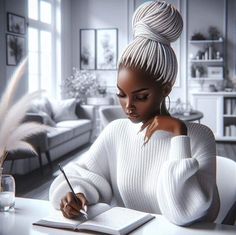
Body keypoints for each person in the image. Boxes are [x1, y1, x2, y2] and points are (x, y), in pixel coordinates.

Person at [49, 1, 220, 226]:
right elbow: (80, 174)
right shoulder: (116, 131)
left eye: (140, 97)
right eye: (121, 94)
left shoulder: (200, 137)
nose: (128, 106)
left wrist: (179, 133)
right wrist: (78, 195)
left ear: (166, 89)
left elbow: (186, 213)